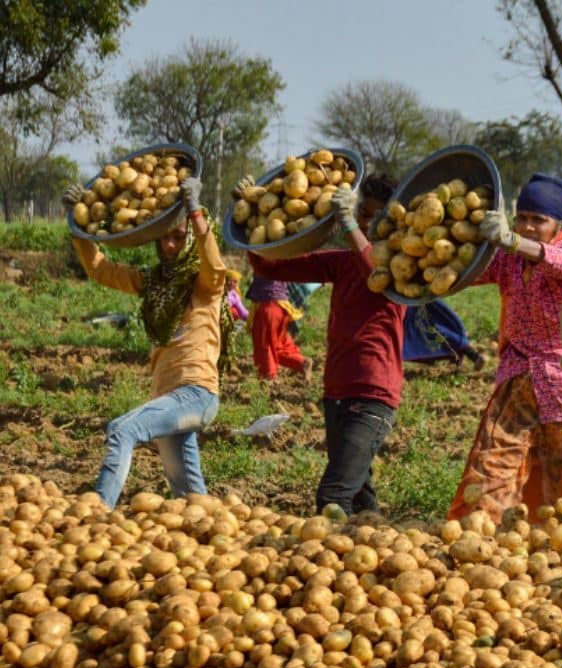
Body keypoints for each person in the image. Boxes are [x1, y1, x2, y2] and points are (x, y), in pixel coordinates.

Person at [447, 173, 562, 523]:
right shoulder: (508, 258)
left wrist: (511, 241)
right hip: (518, 379)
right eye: (522, 218)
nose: (528, 226)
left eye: (539, 220)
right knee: (492, 465)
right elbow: (468, 272)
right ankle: (482, 540)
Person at [61, 176, 231, 509]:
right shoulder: (151, 282)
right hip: (168, 399)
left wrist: (195, 211)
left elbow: (216, 265)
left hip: (196, 393)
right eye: (164, 237)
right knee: (190, 500)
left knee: (122, 430)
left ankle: (97, 514)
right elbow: (100, 269)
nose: (169, 245)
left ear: (190, 241)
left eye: (178, 238)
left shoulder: (205, 286)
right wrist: (76, 223)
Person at [243, 173, 406, 517]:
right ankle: (376, 556)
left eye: (377, 219)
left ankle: (330, 561)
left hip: (372, 396)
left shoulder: (402, 269)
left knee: (333, 495)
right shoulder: (342, 262)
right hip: (337, 392)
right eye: (363, 216)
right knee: (359, 494)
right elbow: (270, 265)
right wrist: (248, 218)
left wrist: (348, 225)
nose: (368, 226)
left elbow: (376, 277)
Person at [245, 272, 310, 381]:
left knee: (264, 344)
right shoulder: (282, 259)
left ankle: (268, 377)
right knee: (277, 344)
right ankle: (301, 363)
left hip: (268, 306)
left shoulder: (266, 258)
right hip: (281, 306)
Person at [403, 299, 486, 369]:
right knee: (437, 329)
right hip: (411, 299)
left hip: (417, 298)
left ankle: (472, 355)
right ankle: (471, 356)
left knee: (437, 329)